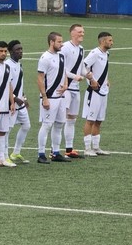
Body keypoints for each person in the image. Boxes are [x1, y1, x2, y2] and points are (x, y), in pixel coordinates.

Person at [36, 32, 70, 164]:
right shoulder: (45, 58)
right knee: (47, 125)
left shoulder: (61, 56)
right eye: (59, 42)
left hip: (61, 97)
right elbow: (40, 79)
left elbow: (64, 71)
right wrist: (44, 97)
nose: (62, 44)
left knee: (60, 124)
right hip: (50, 97)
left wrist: (66, 84)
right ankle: (41, 154)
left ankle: (55, 152)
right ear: (51, 42)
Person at [82, 31, 113, 157]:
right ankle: (87, 148)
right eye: (110, 40)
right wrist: (91, 81)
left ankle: (96, 147)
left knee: (99, 120)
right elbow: (83, 67)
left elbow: (101, 69)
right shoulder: (95, 53)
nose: (112, 43)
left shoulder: (106, 53)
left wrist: (106, 79)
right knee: (90, 120)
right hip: (94, 91)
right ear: (102, 41)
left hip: (104, 90)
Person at [61, 23, 86, 158]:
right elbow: (61, 68)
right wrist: (73, 76)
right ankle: (54, 151)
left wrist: (91, 77)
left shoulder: (81, 49)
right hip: (65, 87)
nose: (82, 34)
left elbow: (81, 69)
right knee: (61, 119)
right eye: (79, 32)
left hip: (75, 88)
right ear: (72, 33)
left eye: (83, 32)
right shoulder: (64, 47)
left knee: (72, 119)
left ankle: (69, 150)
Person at [5, 40, 31, 164]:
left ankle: (16, 152)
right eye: (17, 50)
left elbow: (19, 84)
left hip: (20, 103)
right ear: (11, 52)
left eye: (21, 49)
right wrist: (15, 98)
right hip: (11, 103)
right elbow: (6, 85)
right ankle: (4, 156)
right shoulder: (7, 65)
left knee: (26, 126)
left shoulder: (18, 64)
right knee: (7, 130)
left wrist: (24, 98)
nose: (20, 51)